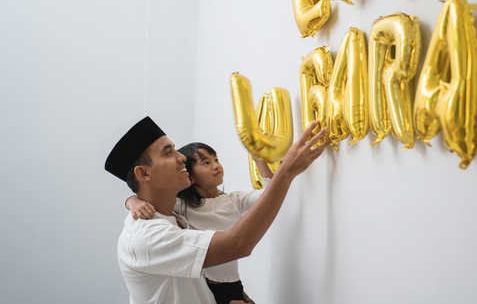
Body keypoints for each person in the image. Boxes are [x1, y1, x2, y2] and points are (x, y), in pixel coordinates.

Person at [105, 116, 328, 304]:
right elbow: (238, 244)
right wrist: (285, 172)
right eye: (168, 152)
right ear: (144, 174)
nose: (181, 157)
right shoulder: (146, 236)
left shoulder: (172, 216)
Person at [126, 142, 272, 303]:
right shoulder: (182, 207)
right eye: (206, 163)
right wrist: (132, 201)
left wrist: (259, 160)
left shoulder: (234, 200)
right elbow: (150, 201)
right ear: (191, 176)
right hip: (209, 285)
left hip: (232, 283)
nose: (216, 166)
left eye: (216, 160)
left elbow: (269, 195)